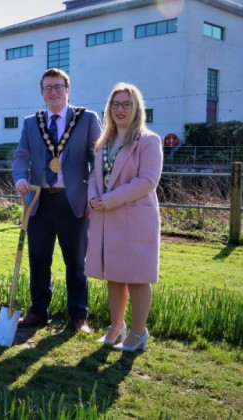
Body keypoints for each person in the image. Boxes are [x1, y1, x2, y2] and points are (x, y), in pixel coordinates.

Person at [12, 68, 103, 333]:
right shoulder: (32, 122)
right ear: (42, 93)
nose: (53, 92)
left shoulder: (87, 119)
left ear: (67, 90)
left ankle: (78, 315)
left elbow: (97, 162)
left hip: (73, 201)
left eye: (58, 86)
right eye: (48, 88)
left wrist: (92, 196)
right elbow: (21, 156)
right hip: (38, 201)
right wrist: (19, 179)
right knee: (39, 259)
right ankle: (38, 312)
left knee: (75, 262)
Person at [86, 82, 163, 352]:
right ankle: (115, 327)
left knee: (138, 276)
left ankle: (139, 332)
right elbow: (96, 175)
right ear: (109, 109)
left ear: (136, 108)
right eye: (115, 104)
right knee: (114, 275)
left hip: (134, 220)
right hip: (107, 219)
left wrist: (107, 200)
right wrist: (93, 196)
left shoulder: (149, 140)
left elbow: (148, 181)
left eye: (126, 104)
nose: (120, 109)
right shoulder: (103, 142)